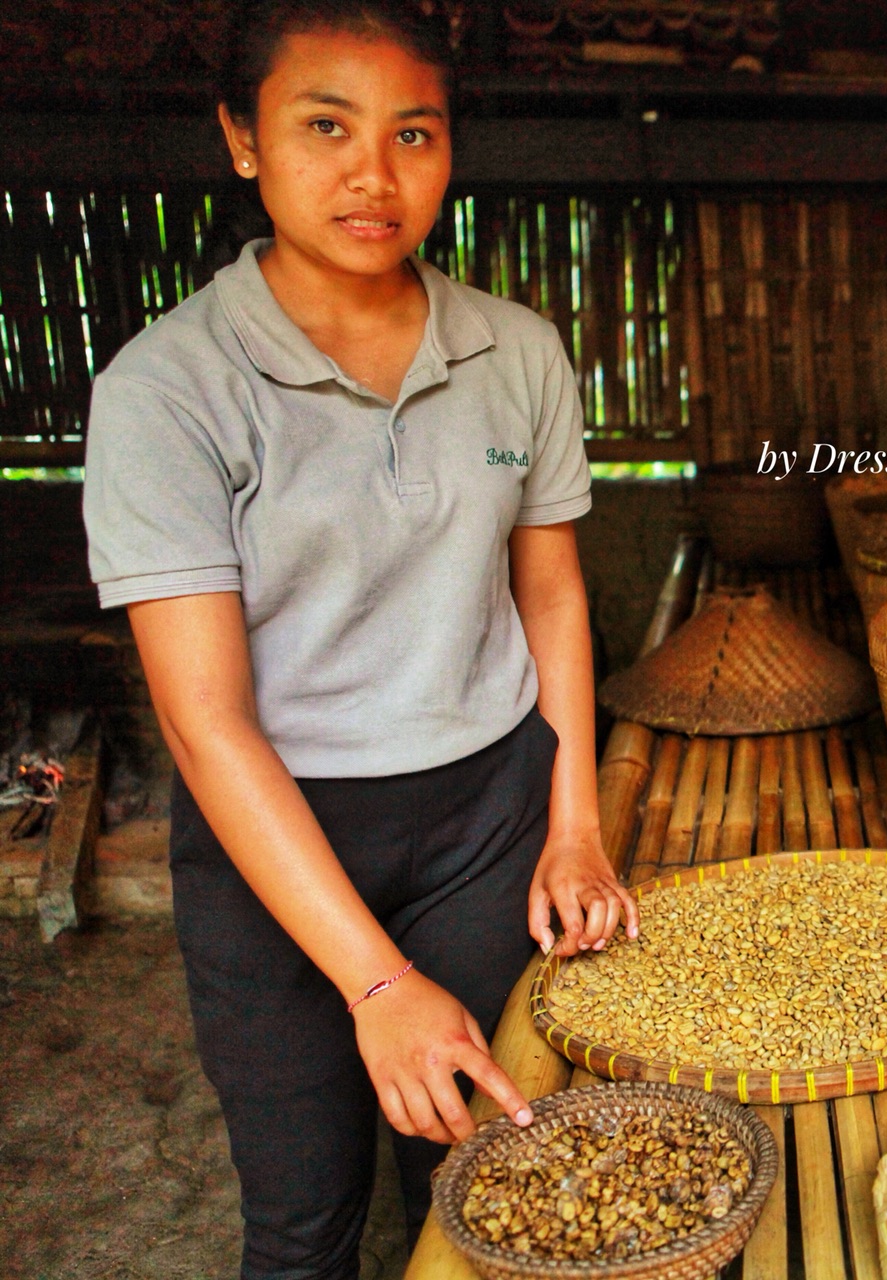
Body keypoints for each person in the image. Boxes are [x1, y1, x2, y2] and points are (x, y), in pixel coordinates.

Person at [80, 3, 638, 1274]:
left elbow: (549, 593)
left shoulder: (518, 353)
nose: (373, 175)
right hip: (274, 838)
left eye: (414, 134)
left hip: (486, 817)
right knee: (306, 1210)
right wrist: (378, 987)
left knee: (492, 1185)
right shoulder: (169, 389)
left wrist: (573, 824)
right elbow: (203, 719)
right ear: (241, 138)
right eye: (323, 126)